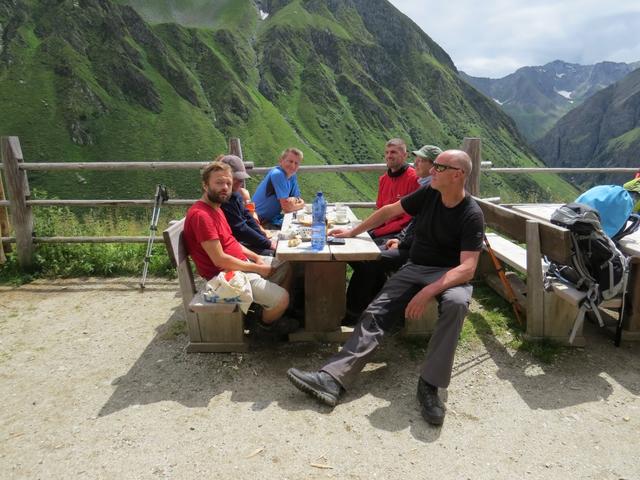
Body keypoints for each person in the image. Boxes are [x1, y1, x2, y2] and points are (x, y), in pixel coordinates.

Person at [287, 150, 485, 426]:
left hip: (449, 273)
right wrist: (352, 232)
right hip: (416, 267)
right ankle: (332, 379)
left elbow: (468, 268)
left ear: (458, 174)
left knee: (456, 303)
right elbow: (390, 211)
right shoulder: (430, 194)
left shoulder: (471, 214)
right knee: (376, 311)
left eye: (439, 167)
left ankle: (430, 385)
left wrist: (427, 291)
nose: (431, 171)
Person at [183, 161, 297, 334]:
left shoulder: (216, 208)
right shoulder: (202, 216)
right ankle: (263, 327)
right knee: (282, 298)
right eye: (219, 182)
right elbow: (220, 260)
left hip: (239, 265)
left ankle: (268, 310)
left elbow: (232, 242)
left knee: (286, 265)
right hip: (225, 277)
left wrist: (256, 257)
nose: (225, 187)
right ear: (205, 185)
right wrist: (257, 268)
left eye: (228, 183)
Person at [343, 145, 443, 324]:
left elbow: (422, 228)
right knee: (366, 257)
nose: (416, 163)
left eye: (421, 160)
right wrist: (399, 239)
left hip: (421, 254)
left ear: (434, 167)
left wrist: (401, 241)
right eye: (416, 159)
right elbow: (414, 222)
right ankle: (369, 305)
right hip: (408, 243)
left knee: (368, 259)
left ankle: (354, 313)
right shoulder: (427, 188)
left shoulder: (433, 190)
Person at [219, 154, 276, 256]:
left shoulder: (235, 195)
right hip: (234, 245)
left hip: (242, 241)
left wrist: (264, 238)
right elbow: (240, 229)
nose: (239, 182)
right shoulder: (225, 201)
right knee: (275, 255)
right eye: (235, 179)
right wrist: (267, 244)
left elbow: (248, 217)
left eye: (241, 179)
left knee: (275, 250)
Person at [369, 138, 420, 244]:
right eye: (387, 152)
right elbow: (380, 210)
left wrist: (376, 232)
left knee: (368, 246)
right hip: (384, 229)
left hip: (401, 233)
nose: (389, 156)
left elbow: (408, 219)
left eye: (393, 152)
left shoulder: (414, 179)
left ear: (405, 155)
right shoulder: (383, 179)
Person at [252, 148, 305, 228]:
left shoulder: (292, 176)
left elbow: (297, 198)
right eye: (290, 161)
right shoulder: (278, 174)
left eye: (296, 163)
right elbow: (287, 208)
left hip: (271, 219)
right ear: (281, 161)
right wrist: (302, 204)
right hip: (259, 221)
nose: (293, 166)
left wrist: (294, 200)